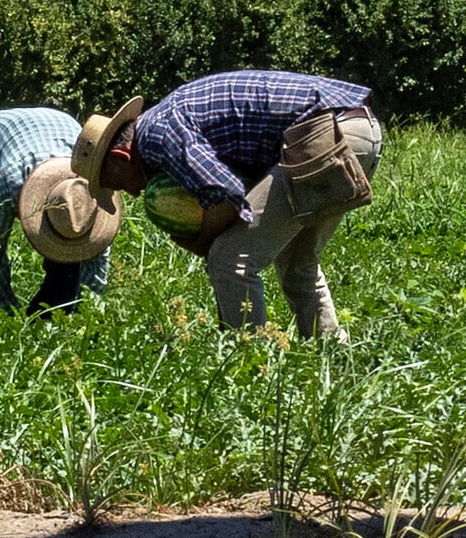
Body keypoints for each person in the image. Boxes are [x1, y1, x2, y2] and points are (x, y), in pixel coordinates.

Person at [73, 71, 382, 340]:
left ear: (119, 158)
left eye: (117, 184)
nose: (132, 193)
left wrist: (202, 242)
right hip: (355, 129)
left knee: (229, 259)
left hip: (326, 136)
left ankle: (251, 369)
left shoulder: (158, 134)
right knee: (297, 261)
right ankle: (332, 353)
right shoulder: (163, 121)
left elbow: (226, 192)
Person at [0, 107, 118, 318]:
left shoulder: (93, 189)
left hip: (51, 130)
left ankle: (52, 315)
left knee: (70, 245)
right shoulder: (11, 183)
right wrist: (10, 312)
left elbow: (97, 255)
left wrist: (87, 312)